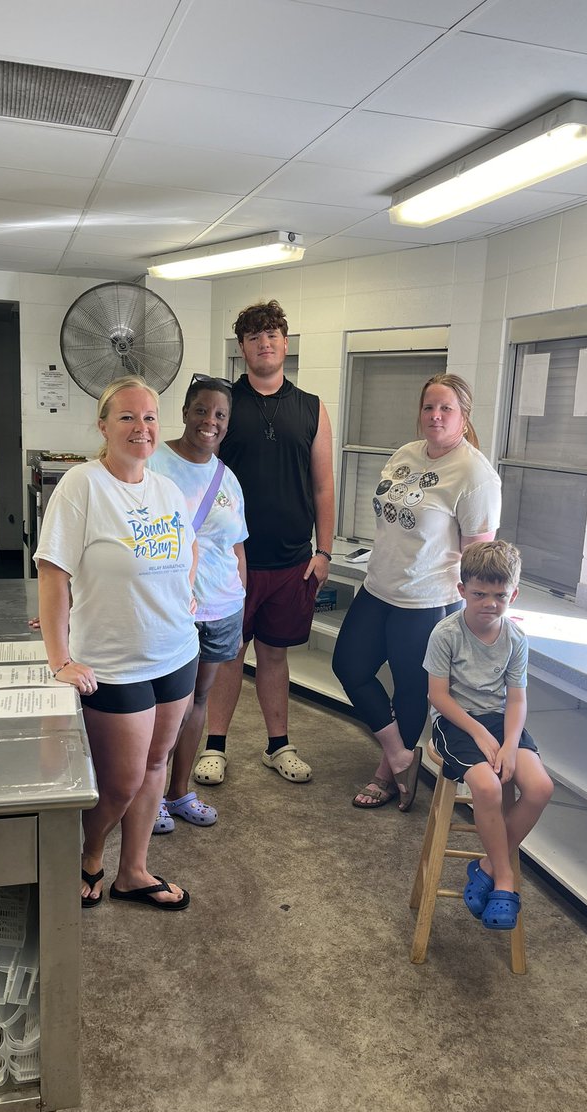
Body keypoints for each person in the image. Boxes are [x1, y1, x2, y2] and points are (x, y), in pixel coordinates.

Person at [34, 375, 197, 911]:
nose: (141, 428)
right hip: (113, 661)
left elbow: (186, 550)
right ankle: (87, 853)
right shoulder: (82, 486)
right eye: (127, 417)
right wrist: (60, 658)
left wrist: (186, 596)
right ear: (103, 426)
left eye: (149, 417)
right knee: (121, 782)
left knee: (157, 764)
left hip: (175, 653)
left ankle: (134, 870)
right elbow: (53, 573)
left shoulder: (167, 488)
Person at [332, 373, 501, 811]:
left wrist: (479, 615)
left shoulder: (475, 474)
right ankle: (400, 753)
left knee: (410, 689)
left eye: (446, 409)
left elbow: (478, 556)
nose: (436, 416)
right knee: (349, 665)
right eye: (429, 407)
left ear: (463, 418)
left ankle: (386, 777)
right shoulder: (406, 454)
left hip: (426, 599)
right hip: (378, 585)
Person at [193, 300, 335, 787]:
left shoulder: (312, 407)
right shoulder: (224, 405)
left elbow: (324, 486)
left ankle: (279, 745)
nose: (264, 343)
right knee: (229, 653)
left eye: (272, 334)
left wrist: (325, 552)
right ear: (242, 348)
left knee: (275, 655)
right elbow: (199, 473)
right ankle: (215, 747)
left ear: (285, 343)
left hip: (294, 561)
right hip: (232, 561)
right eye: (254, 337)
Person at [425, 540, 554, 930]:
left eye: (500, 596)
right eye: (479, 594)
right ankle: (505, 879)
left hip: (500, 721)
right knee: (487, 788)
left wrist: (511, 745)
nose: (490, 604)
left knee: (540, 788)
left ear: (513, 594)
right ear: (462, 590)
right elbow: (438, 696)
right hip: (455, 722)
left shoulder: (515, 639)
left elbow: (516, 701)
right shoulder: (446, 633)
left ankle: (484, 865)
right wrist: (480, 733)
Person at [149, 373, 248, 832]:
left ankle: (179, 792)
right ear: (186, 412)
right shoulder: (154, 464)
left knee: (198, 701)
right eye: (203, 410)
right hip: (172, 610)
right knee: (167, 702)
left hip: (222, 608)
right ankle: (150, 798)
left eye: (221, 415)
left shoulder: (228, 478)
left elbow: (236, 547)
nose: (211, 421)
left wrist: (240, 600)